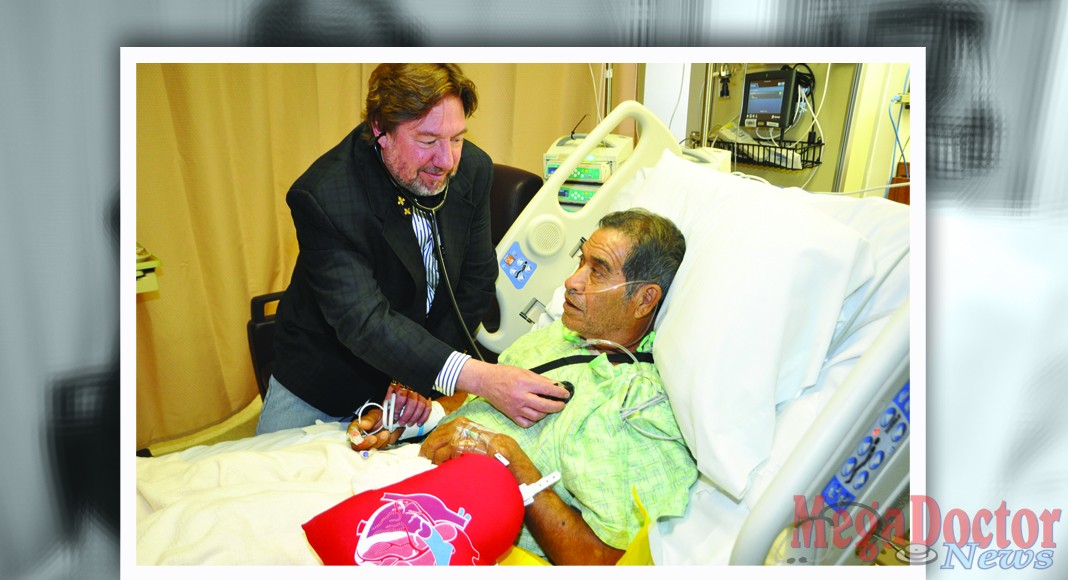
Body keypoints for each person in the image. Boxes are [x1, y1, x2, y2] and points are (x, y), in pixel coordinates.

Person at [351, 209, 699, 565]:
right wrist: (423, 417)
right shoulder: (560, 336)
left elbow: (602, 561)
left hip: (447, 533)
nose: (571, 281)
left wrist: (507, 460)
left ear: (644, 299)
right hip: (404, 478)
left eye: (597, 271)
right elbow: (480, 401)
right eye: (580, 263)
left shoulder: (636, 407)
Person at [257, 63, 567, 436]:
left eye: (456, 138)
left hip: (417, 379)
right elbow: (365, 321)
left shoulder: (472, 169)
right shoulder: (325, 196)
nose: (447, 161)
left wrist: (419, 378)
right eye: (427, 140)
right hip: (324, 379)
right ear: (380, 130)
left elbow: (475, 281)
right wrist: (481, 378)